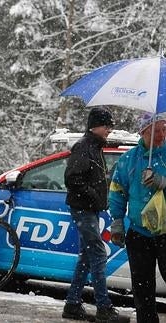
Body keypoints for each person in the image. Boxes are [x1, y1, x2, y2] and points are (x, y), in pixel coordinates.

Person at [62, 106, 122, 322]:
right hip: (83, 209)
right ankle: (104, 307)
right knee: (98, 253)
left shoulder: (95, 147)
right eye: (106, 126)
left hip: (89, 209)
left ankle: (72, 304)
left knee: (87, 257)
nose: (109, 130)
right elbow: (73, 179)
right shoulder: (84, 147)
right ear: (95, 126)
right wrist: (93, 197)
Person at [109, 111, 166, 323]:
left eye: (164, 129)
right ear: (143, 132)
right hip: (139, 233)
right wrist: (116, 222)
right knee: (142, 288)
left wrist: (163, 182)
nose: (161, 135)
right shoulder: (128, 160)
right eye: (155, 131)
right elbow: (117, 191)